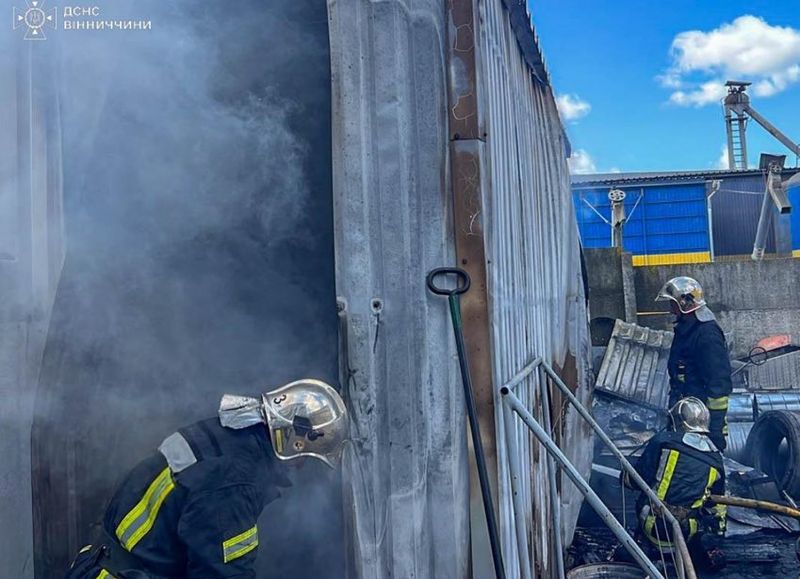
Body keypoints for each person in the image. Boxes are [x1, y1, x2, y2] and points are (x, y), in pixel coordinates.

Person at [64, 379, 348, 579]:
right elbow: (224, 573)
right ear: (293, 440)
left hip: (103, 566)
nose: (299, 469)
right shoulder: (234, 483)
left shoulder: (227, 438)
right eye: (305, 459)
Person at [623, 397, 726, 569]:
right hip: (687, 532)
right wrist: (716, 536)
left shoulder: (663, 441)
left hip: (652, 524)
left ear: (677, 421)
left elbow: (636, 480)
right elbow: (716, 504)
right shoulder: (716, 459)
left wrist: (624, 478)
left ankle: (640, 545)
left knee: (645, 497)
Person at [656, 276, 732, 451]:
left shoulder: (707, 334)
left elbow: (718, 385)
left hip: (701, 424)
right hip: (685, 418)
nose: (671, 310)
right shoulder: (686, 329)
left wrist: (715, 429)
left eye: (673, 304)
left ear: (685, 303)